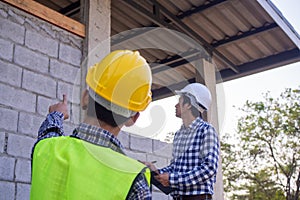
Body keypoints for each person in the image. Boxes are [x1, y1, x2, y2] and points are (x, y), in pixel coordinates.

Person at [30, 50, 153, 200]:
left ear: (85, 98)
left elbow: (49, 131)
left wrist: (57, 114)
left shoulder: (47, 149)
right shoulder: (134, 179)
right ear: (133, 118)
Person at [146, 83, 220, 200]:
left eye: (179, 101)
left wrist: (172, 179)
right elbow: (176, 167)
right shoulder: (179, 135)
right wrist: (156, 171)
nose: (176, 105)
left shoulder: (206, 131)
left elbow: (209, 169)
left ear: (189, 104)